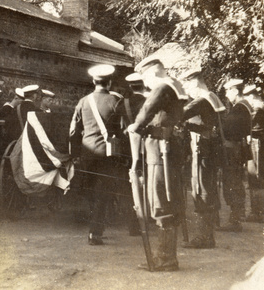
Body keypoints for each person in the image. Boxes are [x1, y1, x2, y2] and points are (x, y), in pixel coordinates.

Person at [127, 58, 188, 271]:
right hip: (169, 150)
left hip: (160, 153)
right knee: (168, 199)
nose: (146, 84)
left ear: (153, 72)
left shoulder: (163, 87)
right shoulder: (177, 86)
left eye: (145, 78)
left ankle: (165, 258)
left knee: (161, 201)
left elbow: (146, 109)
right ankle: (167, 256)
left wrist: (135, 126)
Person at [70, 64, 131, 245]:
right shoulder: (116, 101)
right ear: (109, 82)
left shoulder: (83, 101)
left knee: (91, 191)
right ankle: (95, 232)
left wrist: (75, 153)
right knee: (103, 192)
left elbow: (74, 130)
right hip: (108, 155)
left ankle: (95, 225)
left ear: (93, 81)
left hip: (87, 154)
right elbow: (125, 130)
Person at [180, 69, 225, 248]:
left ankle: (204, 237)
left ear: (195, 83)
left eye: (187, 85)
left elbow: (179, 115)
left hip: (203, 148)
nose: (186, 90)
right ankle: (209, 231)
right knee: (209, 187)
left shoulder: (201, 100)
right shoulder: (213, 97)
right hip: (213, 148)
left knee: (201, 188)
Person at [216, 79, 252, 232]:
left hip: (233, 151)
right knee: (234, 182)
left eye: (228, 90)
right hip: (237, 149)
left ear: (235, 91)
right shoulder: (241, 107)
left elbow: (229, 129)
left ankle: (235, 220)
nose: (226, 94)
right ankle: (236, 216)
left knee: (232, 183)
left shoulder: (240, 108)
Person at [242, 85, 264, 222]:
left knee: (255, 177)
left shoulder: (257, 110)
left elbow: (250, 128)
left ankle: (256, 212)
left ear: (251, 96)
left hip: (258, 146)